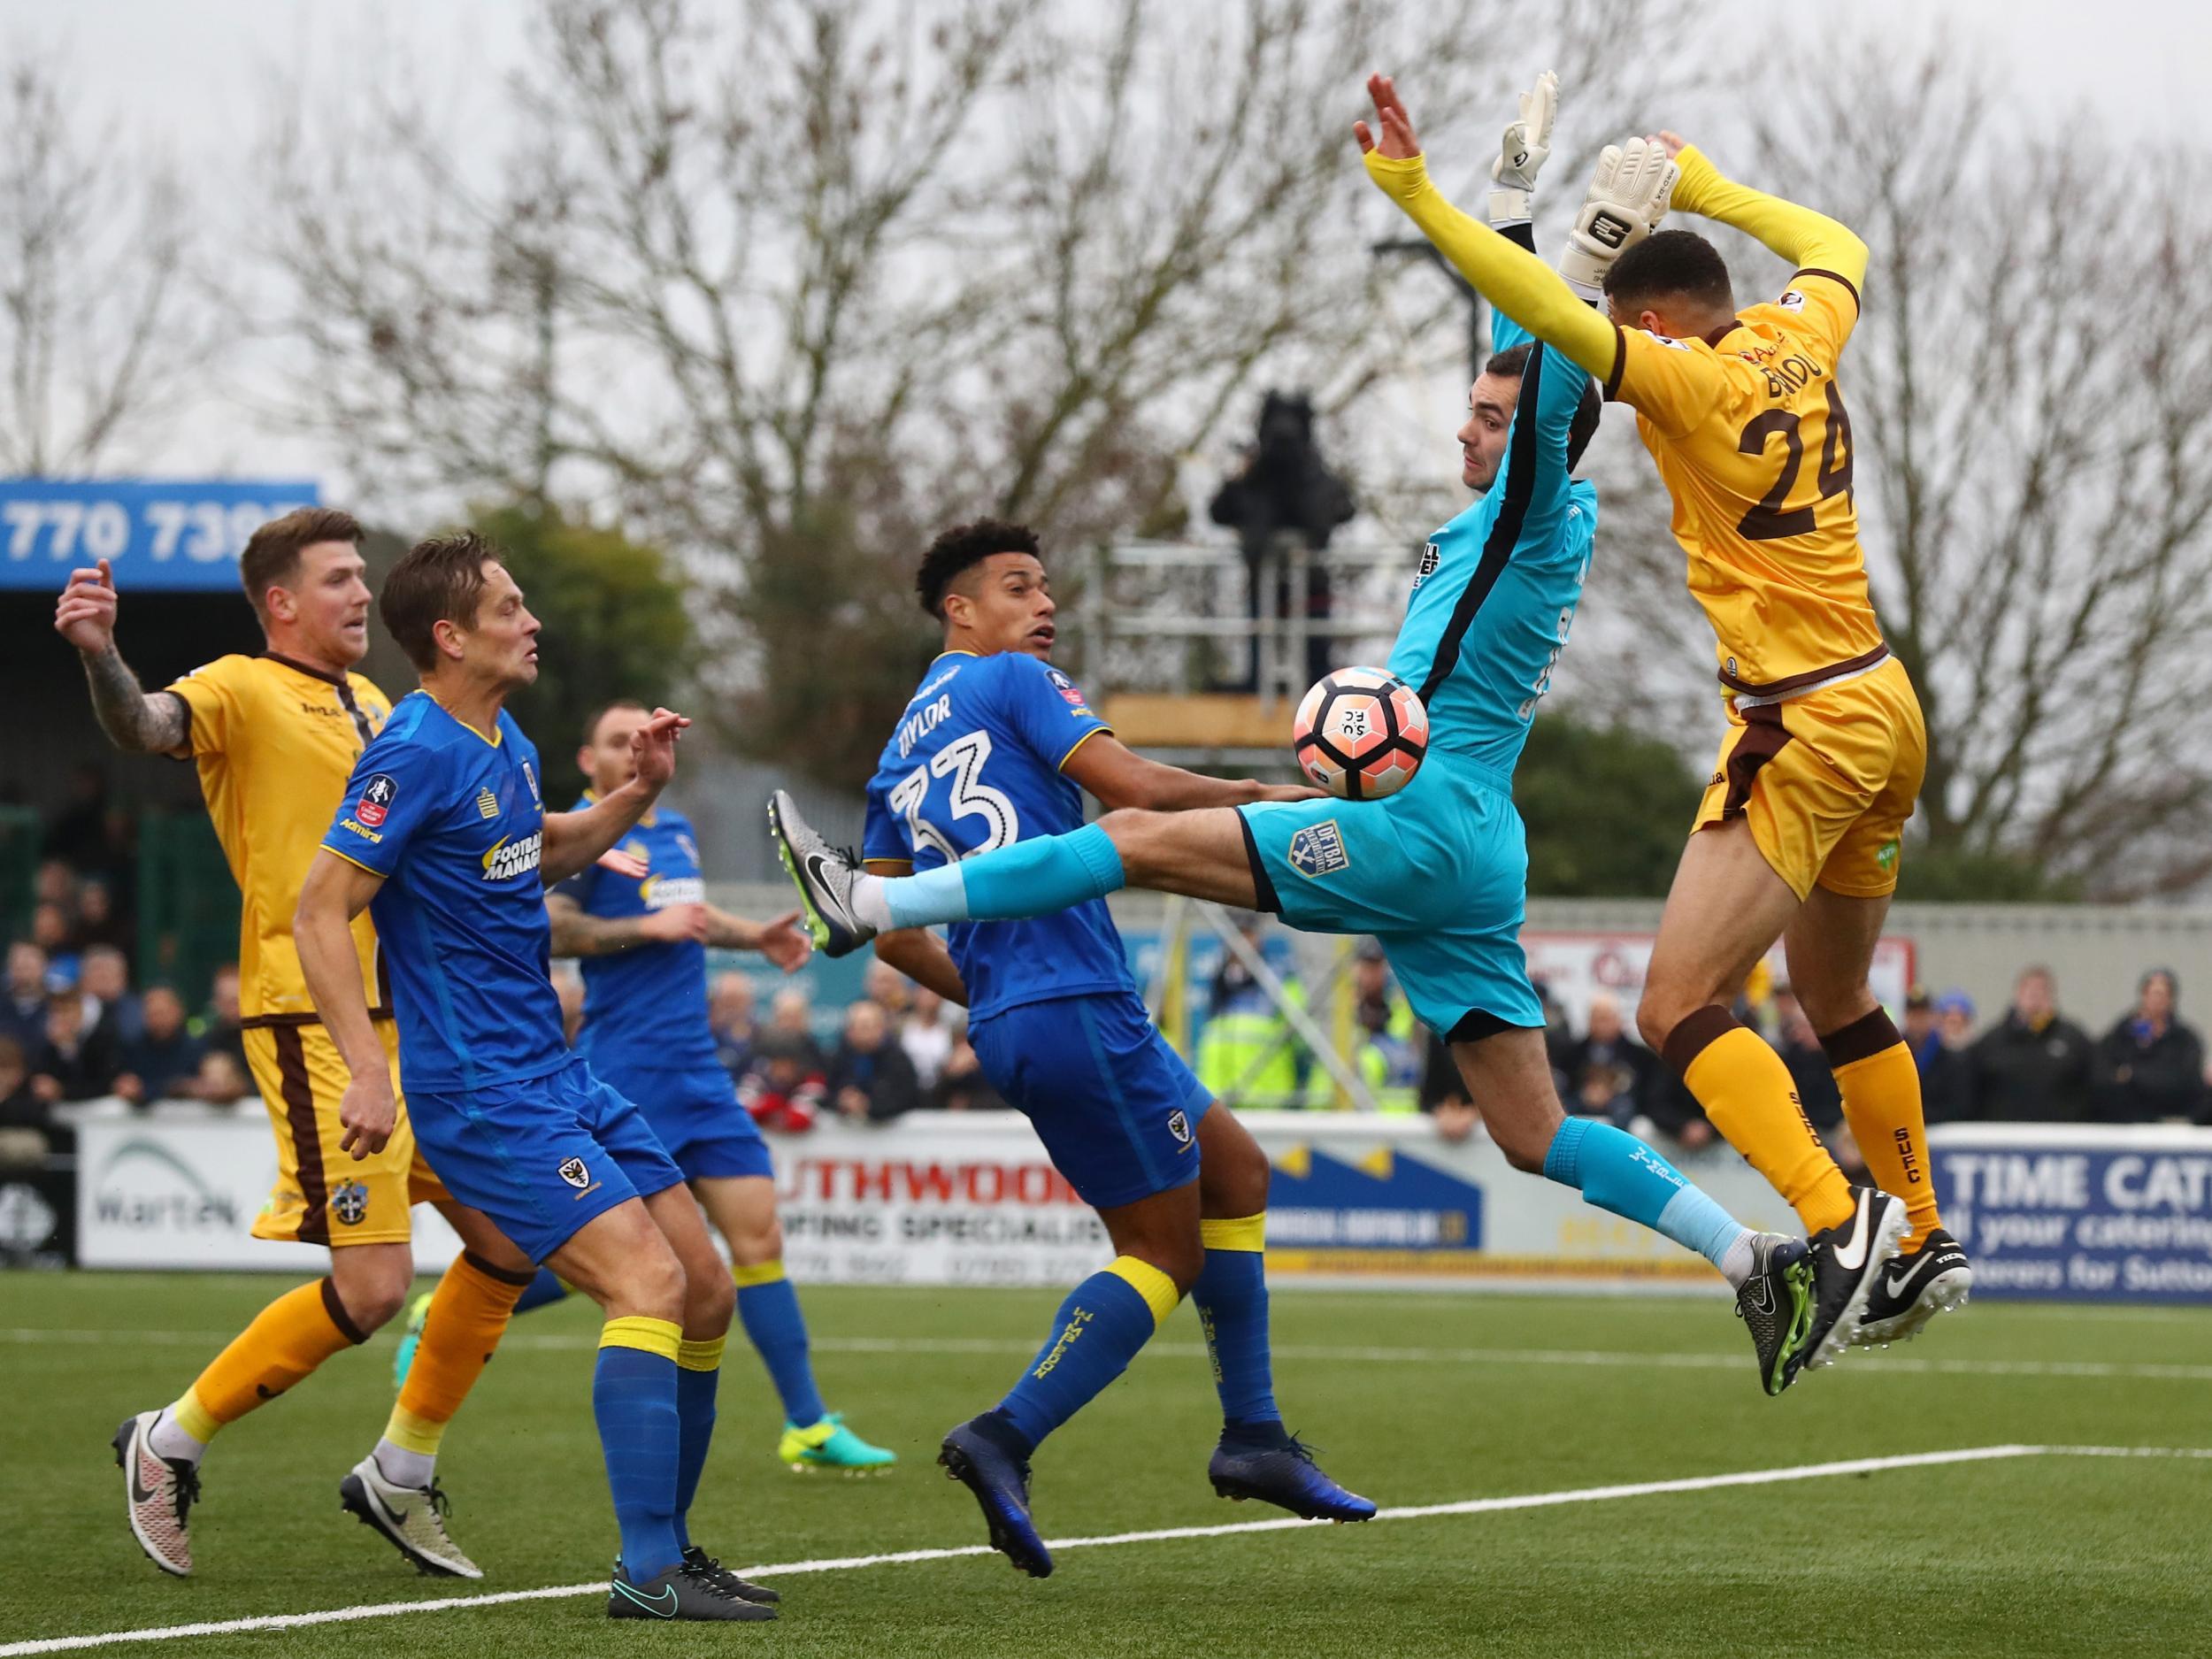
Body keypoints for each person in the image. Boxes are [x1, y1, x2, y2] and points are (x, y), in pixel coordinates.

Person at [776, 75, 1824, 1400]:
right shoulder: (1514, 508)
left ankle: (871, 898)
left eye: (1490, 420)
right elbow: (1522, 340)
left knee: (1138, 836)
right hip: (1472, 834)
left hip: (1422, 818)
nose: (1466, 426)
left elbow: (1551, 349)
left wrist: (1589, 241)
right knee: (1530, 1126)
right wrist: (1504, 189)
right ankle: (1754, 1260)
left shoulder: (1536, 494)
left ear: (1544, 438)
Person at [1344, 72, 1964, 1350]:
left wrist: (1423, 196)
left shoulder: (1689, 381)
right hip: (1886, 705)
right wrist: (1704, 186)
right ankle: (1918, 1230)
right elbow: (1834, 247)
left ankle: (1837, 1216)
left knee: (1677, 1003)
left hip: (1801, 716)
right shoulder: (1798, 335)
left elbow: (1536, 313)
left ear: (1655, 320)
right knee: (1832, 992)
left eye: (1625, 330)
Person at [780, 513, 1376, 1580]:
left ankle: (1255, 1437)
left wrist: (999, 999)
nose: (1042, 605)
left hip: (1024, 1015)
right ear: (961, 611)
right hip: (1077, 1000)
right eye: (1018, 586)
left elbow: (888, 931)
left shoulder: (898, 745)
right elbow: (1135, 791)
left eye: (1046, 587)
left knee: (1234, 1167)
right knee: (1164, 1251)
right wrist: (1255, 798)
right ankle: (1005, 1434)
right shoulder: (1008, 680)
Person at [294, 532, 771, 1621]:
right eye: (511, 607)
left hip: (559, 1078)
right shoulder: (412, 749)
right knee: (645, 1287)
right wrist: (369, 1071)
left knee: (703, 1290)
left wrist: (637, 794)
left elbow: (543, 850)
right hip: (482, 1093)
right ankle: (646, 1571)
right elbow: (320, 909)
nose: (533, 621)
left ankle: (672, 1551)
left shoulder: (500, 735)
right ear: (451, 636)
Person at [57, 511, 537, 1581]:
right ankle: (166, 1439)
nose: (362, 595)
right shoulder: (238, 684)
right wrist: (102, 656)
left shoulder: (379, 702)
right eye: (337, 581)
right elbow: (142, 725)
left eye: (362, 577)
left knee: (508, 1242)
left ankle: (398, 1474)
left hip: (420, 1019)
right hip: (318, 1022)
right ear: (281, 603)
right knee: (370, 1292)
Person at [530, 698, 892, 1473]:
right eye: (615, 742)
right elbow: (552, 927)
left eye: (644, 739)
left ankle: (808, 1422)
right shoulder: (581, 834)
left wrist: (752, 935)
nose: (633, 751)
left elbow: (687, 916)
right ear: (587, 763)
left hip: (700, 1071)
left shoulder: (674, 828)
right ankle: (463, 1305)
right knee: (624, 1250)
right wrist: (641, 931)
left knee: (758, 1239)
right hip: (626, 1068)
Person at [1969, 966, 2093, 1123]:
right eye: (2029, 990)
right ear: (2017, 994)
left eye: (2042, 991)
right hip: (2003, 1138)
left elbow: (2092, 1086)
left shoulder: (2074, 1039)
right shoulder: (1992, 1042)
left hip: (2059, 1138)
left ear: (2052, 997)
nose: (2035, 997)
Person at [2095, 971, 2205, 1124]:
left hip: (2169, 1120)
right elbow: (2104, 1073)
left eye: (2161, 994)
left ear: (2171, 999)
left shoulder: (2184, 1039)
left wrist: (2133, 1075)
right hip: (2124, 1122)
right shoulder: (2121, 1034)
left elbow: (2184, 1081)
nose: (2156, 1000)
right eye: (2152, 993)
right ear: (2143, 996)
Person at [826, 998, 925, 1123]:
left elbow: (907, 1098)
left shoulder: (898, 1059)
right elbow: (827, 1093)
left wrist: (868, 1105)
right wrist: (841, 1101)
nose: (865, 1033)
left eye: (869, 1027)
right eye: (860, 1027)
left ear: (882, 1028)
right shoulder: (838, 1057)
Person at [115, 986, 207, 1106]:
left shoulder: (198, 1048)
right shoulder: (131, 1049)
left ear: (178, 1011)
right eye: (153, 1014)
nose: (159, 1020)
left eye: (163, 1013)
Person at [30, 984, 120, 1102]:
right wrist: (63, 1047)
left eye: (66, 1010)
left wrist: (62, 1090)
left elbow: (105, 1084)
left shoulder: (103, 1038)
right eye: (55, 1011)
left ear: (82, 1011)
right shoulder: (49, 1044)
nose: (60, 1017)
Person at [1, 941, 50, 1053]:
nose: (23, 975)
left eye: (28, 967)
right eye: (18, 967)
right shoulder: (2, 1005)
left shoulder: (57, 1006)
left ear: (44, 967)